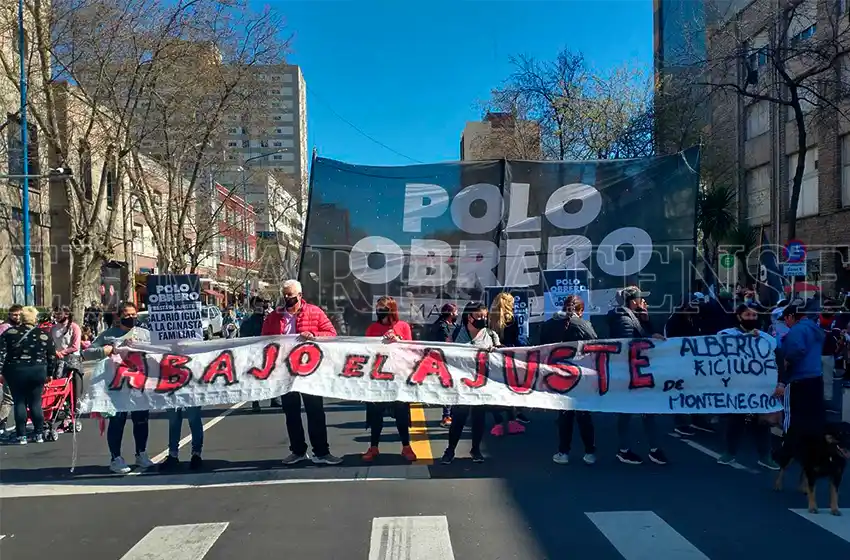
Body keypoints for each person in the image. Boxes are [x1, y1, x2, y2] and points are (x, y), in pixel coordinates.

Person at [262, 279, 342, 466]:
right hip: (285, 371)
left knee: (315, 411)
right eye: (285, 294)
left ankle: (322, 452)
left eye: (290, 294)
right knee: (291, 412)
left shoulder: (314, 312)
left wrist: (314, 336)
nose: (287, 298)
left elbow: (331, 333)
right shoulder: (275, 317)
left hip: (310, 371)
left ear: (300, 295)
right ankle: (297, 451)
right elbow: (264, 339)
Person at [82, 302, 155, 474]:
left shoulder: (144, 334)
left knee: (141, 420)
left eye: (133, 314)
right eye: (127, 315)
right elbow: (87, 353)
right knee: (118, 421)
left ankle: (141, 453)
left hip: (138, 385)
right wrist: (105, 351)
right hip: (117, 387)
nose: (131, 318)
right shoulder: (108, 335)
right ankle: (116, 458)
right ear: (119, 317)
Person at [607, 286, 668, 465]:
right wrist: (649, 335)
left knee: (644, 411)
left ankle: (652, 449)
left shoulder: (631, 317)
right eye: (642, 299)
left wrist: (646, 322)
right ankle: (625, 450)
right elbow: (627, 345)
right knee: (627, 411)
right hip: (629, 374)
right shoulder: (622, 319)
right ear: (634, 302)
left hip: (638, 373)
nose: (644, 302)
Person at [715, 304, 778, 470]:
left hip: (760, 388)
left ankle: (765, 456)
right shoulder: (726, 335)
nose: (751, 318)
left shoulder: (767, 338)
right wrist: (746, 339)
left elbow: (778, 360)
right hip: (738, 387)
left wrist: (781, 382)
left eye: (754, 315)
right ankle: (730, 452)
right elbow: (718, 353)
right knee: (735, 421)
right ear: (739, 316)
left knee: (762, 423)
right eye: (747, 315)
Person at [440, 301, 499, 465]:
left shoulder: (491, 335)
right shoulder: (457, 332)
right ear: (469, 316)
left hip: (482, 383)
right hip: (462, 383)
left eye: (484, 316)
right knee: (459, 417)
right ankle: (450, 449)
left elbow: (500, 356)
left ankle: (476, 449)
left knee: (479, 418)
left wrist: (496, 351)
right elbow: (445, 353)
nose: (483, 319)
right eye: (479, 316)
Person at [542, 295, 597, 465]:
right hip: (581, 375)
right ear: (580, 310)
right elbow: (596, 344)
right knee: (583, 415)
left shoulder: (550, 324)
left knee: (564, 415)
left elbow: (541, 346)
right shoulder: (584, 325)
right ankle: (589, 452)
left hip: (559, 376)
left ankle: (563, 451)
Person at [362, 296, 417, 462]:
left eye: (383, 309)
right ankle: (374, 446)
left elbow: (411, 350)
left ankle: (406, 446)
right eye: (378, 308)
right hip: (378, 377)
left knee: (401, 412)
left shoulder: (403, 326)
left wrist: (397, 340)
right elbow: (366, 350)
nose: (380, 312)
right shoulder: (372, 328)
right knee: (376, 413)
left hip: (398, 376)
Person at [774, 304, 826, 471]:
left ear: (790, 317)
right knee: (812, 414)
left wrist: (786, 361)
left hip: (799, 378)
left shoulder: (796, 330)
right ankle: (813, 443)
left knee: (791, 413)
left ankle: (787, 444)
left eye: (786, 320)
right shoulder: (815, 328)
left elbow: (797, 350)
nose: (786, 324)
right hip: (816, 377)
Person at [0, 306, 57, 444]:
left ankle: (22, 435)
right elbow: (52, 357)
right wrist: (50, 373)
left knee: (19, 401)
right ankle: (38, 434)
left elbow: (1, 353)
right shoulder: (44, 334)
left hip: (16, 371)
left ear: (21, 317)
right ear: (35, 318)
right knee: (35, 402)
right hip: (37, 371)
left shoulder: (9, 333)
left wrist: (1, 370)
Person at [663, 296, 704, 437]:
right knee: (680, 392)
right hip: (678, 363)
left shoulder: (694, 318)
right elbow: (671, 341)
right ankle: (680, 423)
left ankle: (696, 419)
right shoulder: (674, 321)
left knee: (694, 391)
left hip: (692, 362)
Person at [488, 292, 525, 436]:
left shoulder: (489, 319)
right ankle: (511, 421)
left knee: (493, 390)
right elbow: (515, 340)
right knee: (508, 389)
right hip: (509, 357)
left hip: (492, 356)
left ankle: (497, 424)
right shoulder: (512, 320)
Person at [241, 297, 280, 412]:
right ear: (253, 307)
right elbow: (244, 335)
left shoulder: (270, 318)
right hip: (255, 352)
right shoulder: (248, 320)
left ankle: (274, 399)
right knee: (256, 378)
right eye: (257, 305)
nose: (260, 308)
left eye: (262, 305)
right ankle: (255, 402)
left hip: (270, 351)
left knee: (273, 375)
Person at [50, 306, 83, 420]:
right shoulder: (53, 328)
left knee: (74, 388)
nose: (57, 316)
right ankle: (59, 411)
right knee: (58, 387)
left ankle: (74, 412)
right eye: (56, 314)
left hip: (73, 361)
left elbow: (75, 346)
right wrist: (55, 352)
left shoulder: (74, 327)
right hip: (58, 361)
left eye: (59, 314)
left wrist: (62, 352)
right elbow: (51, 343)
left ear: (67, 315)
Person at [428, 303, 457, 427]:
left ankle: (450, 414)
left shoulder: (452, 325)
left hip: (451, 360)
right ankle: (447, 415)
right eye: (456, 312)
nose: (457, 314)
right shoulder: (441, 326)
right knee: (447, 387)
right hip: (443, 361)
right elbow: (446, 342)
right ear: (450, 313)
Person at [0, 305, 23, 435]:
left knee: (15, 398)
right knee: (8, 399)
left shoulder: (18, 328)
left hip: (19, 366)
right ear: (9, 315)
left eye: (19, 315)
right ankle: (1, 424)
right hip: (9, 366)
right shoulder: (5, 328)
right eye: (15, 315)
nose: (17, 317)